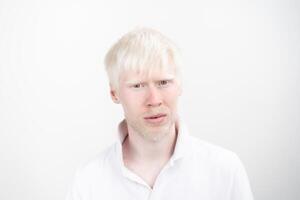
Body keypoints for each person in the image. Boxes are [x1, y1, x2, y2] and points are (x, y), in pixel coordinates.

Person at [66, 28, 254, 200]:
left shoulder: (225, 170)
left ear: (179, 85)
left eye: (163, 82)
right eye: (138, 86)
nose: (154, 100)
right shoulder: (88, 181)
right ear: (114, 93)